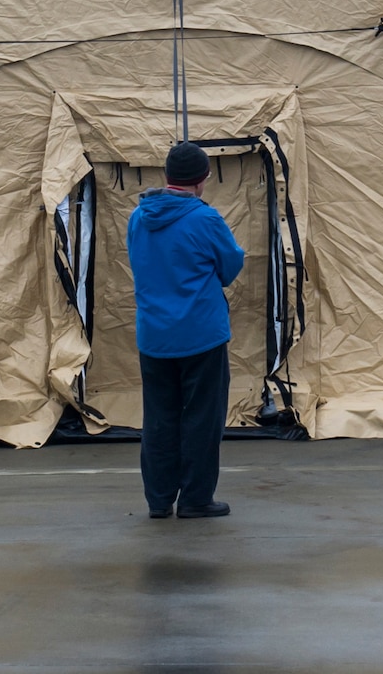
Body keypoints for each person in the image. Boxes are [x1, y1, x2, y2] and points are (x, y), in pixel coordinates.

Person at [127, 141, 244, 519]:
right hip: (200, 335)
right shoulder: (205, 219)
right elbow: (230, 268)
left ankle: (159, 500)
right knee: (201, 418)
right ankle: (195, 498)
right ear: (204, 179)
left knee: (159, 418)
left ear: (166, 175)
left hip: (154, 336)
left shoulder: (137, 217)